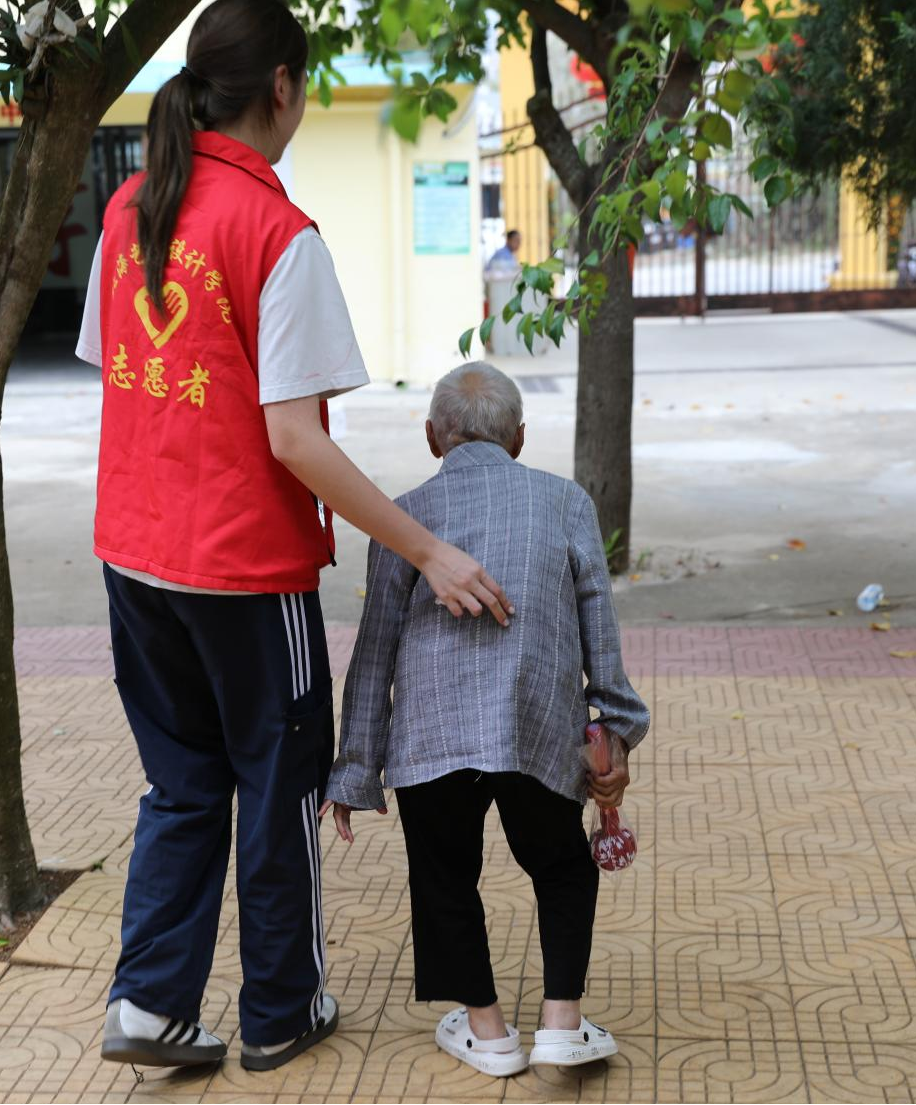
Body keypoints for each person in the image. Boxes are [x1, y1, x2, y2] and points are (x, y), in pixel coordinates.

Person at [75, 0, 512, 1076]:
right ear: (283, 86)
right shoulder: (278, 233)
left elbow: (115, 367)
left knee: (183, 781)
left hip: (134, 556)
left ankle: (150, 1004)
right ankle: (280, 1006)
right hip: (241, 569)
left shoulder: (130, 204)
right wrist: (429, 550)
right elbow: (295, 440)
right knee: (279, 781)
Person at [322, 363, 649, 1077]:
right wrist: (616, 726)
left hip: (431, 731)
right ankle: (561, 1024)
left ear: (432, 436)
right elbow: (599, 624)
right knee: (561, 865)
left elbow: (374, 649)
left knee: (443, 874)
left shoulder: (403, 517)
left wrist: (355, 770)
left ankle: (488, 1032)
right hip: (536, 721)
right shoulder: (566, 502)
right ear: (520, 437)